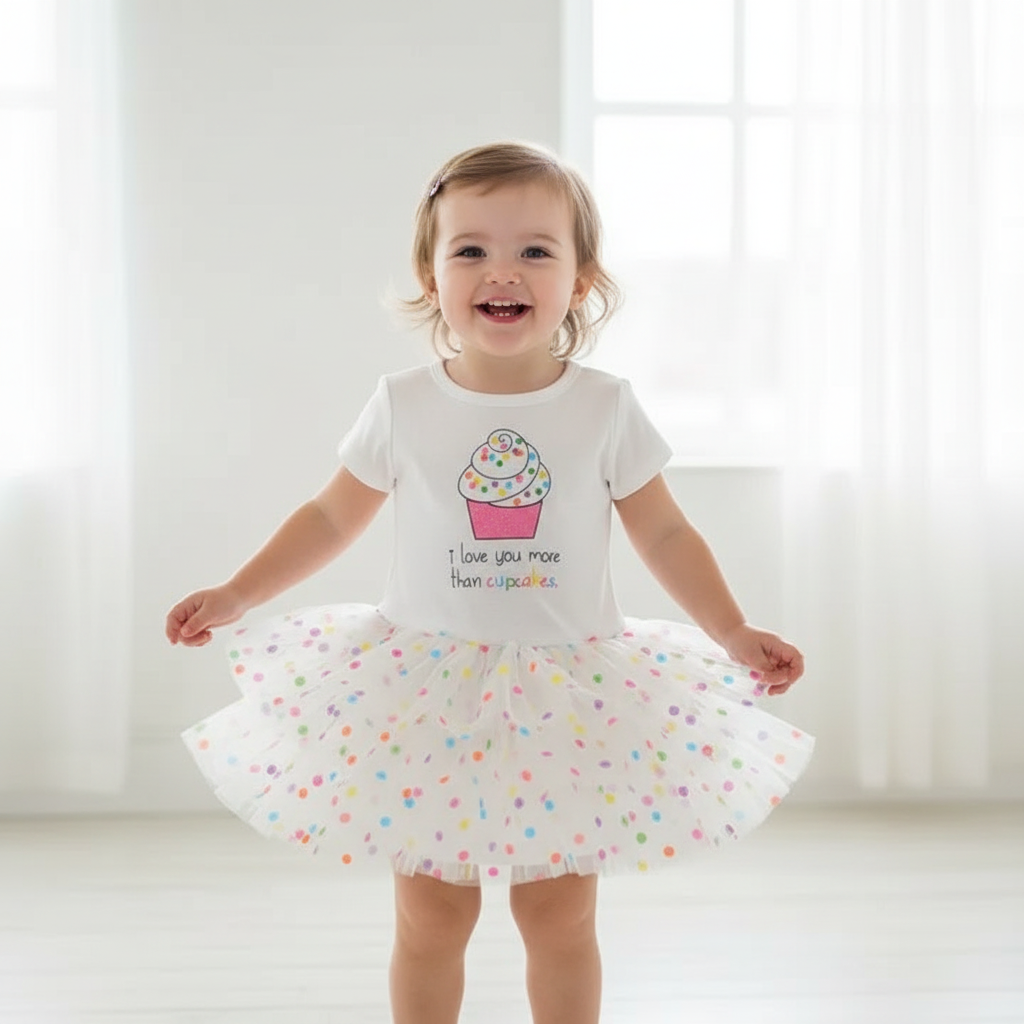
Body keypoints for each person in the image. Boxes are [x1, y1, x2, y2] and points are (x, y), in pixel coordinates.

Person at [166, 141, 814, 1024]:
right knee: (432, 918)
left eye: (534, 250)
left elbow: (663, 530)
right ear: (430, 276)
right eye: (470, 249)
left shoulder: (604, 406)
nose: (500, 271)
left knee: (560, 917)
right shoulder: (403, 402)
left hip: (569, 697)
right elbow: (330, 517)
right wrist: (238, 594)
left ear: (581, 281)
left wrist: (732, 631)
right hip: (426, 694)